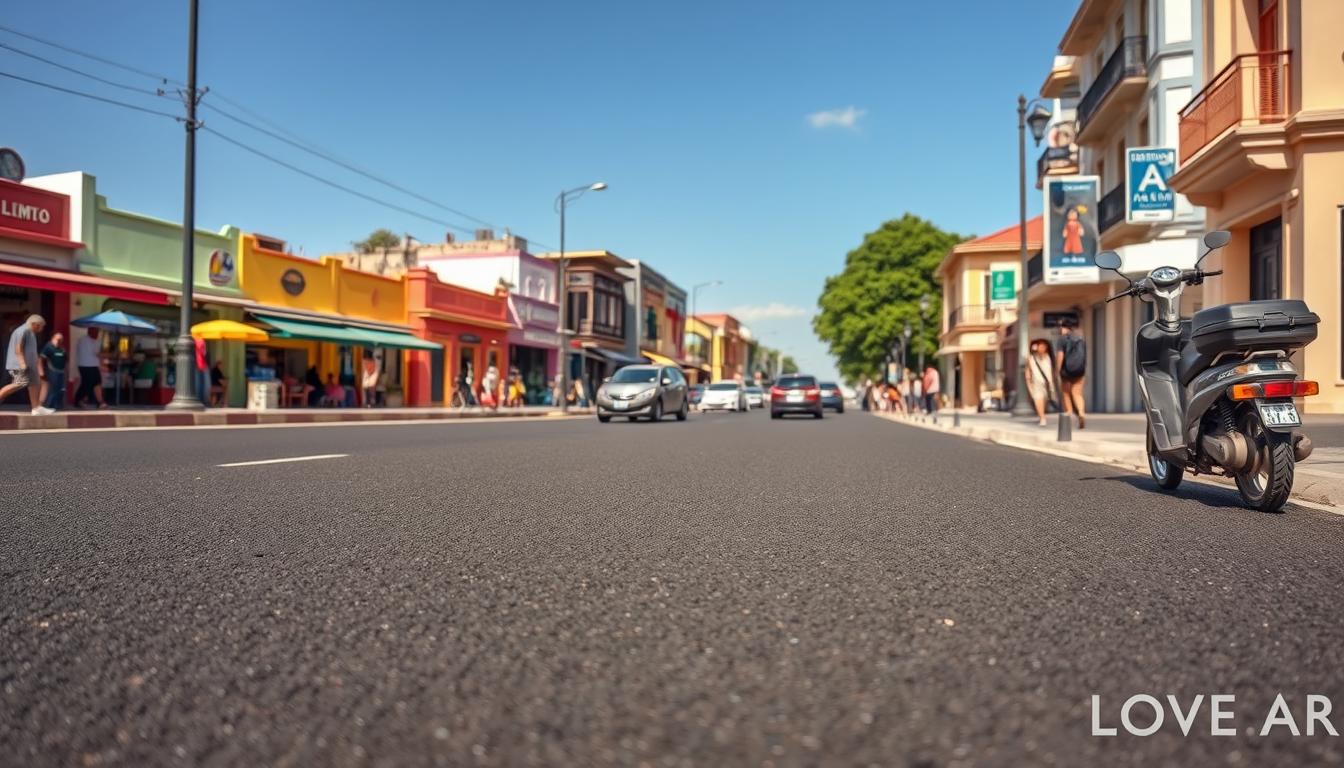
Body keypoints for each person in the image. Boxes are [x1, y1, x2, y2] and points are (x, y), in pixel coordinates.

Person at [2, 315, 53, 415]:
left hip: (30, 365)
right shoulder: (23, 331)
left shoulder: (31, 332)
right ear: (35, 324)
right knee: (20, 383)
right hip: (19, 365)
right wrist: (22, 364)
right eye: (41, 326)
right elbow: (18, 348)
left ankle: (36, 408)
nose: (42, 329)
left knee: (35, 384)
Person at [1056, 319, 1087, 429]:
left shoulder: (1062, 339)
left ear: (1063, 327)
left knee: (1066, 393)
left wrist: (1057, 370)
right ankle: (1081, 413)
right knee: (1077, 393)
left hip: (1066, 371)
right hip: (1080, 371)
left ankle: (1068, 415)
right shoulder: (1080, 339)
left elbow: (1060, 356)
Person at [72, 327, 108, 410]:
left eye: (98, 332)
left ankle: (100, 402)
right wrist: (111, 354)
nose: (97, 334)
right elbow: (97, 353)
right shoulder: (84, 340)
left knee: (97, 383)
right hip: (86, 365)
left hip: (93, 365)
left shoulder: (95, 341)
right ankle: (78, 400)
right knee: (87, 384)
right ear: (90, 332)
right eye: (96, 332)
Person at [1026, 339, 1055, 426]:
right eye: (1040, 346)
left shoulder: (1048, 357)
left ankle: (1041, 415)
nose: (1042, 348)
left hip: (1047, 383)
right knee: (1038, 399)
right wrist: (1029, 383)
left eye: (1044, 346)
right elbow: (1028, 371)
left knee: (1044, 400)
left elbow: (1052, 370)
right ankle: (1042, 418)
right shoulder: (1031, 358)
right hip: (1036, 383)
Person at [40, 331, 68, 411]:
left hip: (61, 371)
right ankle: (48, 405)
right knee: (53, 389)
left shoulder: (62, 349)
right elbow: (41, 359)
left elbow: (66, 360)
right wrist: (41, 371)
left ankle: (57, 406)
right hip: (52, 370)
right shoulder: (48, 347)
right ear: (53, 338)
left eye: (61, 340)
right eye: (57, 339)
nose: (59, 341)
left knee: (61, 389)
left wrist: (67, 371)